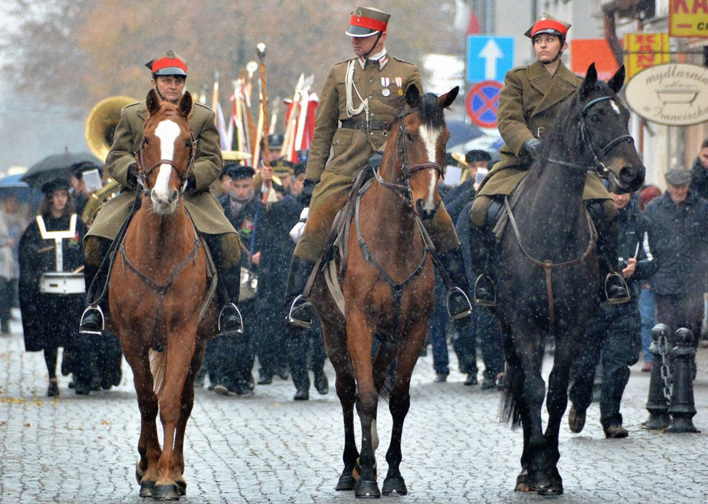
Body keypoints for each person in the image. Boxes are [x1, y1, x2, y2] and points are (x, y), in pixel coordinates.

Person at [285, 6, 472, 331]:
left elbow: (420, 120)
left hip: (395, 165)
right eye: (354, 37)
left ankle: (459, 293)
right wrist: (313, 178)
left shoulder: (406, 72)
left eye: (364, 37)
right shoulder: (338, 73)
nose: (356, 42)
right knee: (315, 226)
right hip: (346, 165)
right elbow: (324, 129)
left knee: (440, 220)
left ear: (381, 36)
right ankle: (296, 302)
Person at [467, 12, 629, 307]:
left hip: (569, 166)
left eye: (550, 40)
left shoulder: (580, 85)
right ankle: (485, 279)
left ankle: (609, 275)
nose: (543, 46)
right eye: (538, 41)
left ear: (562, 46)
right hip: (522, 162)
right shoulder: (517, 78)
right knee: (479, 209)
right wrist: (528, 141)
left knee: (606, 208)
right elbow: (508, 118)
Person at [79, 50, 243, 338]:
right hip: (139, 192)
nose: (173, 86)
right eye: (167, 80)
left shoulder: (201, 115)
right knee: (96, 240)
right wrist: (131, 171)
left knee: (228, 242)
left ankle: (227, 307)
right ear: (154, 82)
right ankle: (96, 305)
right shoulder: (132, 115)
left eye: (178, 81)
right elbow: (116, 155)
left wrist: (191, 179)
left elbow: (213, 160)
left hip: (190, 194)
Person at [568, 185, 657, 438]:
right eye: (615, 192)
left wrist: (635, 268)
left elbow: (653, 261)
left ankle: (611, 419)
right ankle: (580, 402)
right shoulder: (588, 220)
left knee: (617, 366)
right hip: (591, 304)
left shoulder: (640, 223)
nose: (619, 197)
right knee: (584, 365)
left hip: (624, 303)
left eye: (624, 192)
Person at [18, 178, 93, 396]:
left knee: (76, 336)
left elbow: (89, 253)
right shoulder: (37, 226)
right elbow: (26, 257)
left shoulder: (78, 224)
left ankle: (79, 376)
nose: (60, 200)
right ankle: (52, 379)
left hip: (75, 291)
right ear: (50, 199)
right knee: (49, 338)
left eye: (64, 195)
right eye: (57, 196)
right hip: (47, 292)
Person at [643, 168, 708, 379]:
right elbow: (646, 243)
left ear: (688, 186)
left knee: (692, 324)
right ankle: (670, 367)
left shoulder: (702, 208)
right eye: (675, 186)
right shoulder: (654, 209)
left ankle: (687, 363)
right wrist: (650, 271)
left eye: (682, 186)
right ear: (668, 186)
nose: (679, 190)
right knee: (667, 326)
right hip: (664, 279)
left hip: (693, 279)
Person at [209, 164, 261, 396]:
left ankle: (242, 377)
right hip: (224, 273)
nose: (241, 191)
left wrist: (263, 254)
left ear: (252, 184)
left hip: (251, 277)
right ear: (230, 184)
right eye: (237, 186)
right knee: (222, 327)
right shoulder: (217, 207)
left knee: (247, 330)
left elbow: (273, 238)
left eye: (246, 186)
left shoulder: (261, 207)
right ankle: (222, 376)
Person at [638, 184, 662, 371]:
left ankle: (659, 355)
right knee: (647, 319)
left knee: (659, 320)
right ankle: (649, 356)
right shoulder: (641, 222)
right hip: (647, 279)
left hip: (663, 277)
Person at [0, 194, 27, 334]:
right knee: (3, 293)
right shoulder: (1, 218)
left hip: (16, 261)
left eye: (14, 202)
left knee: (11, 292)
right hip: (3, 262)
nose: (12, 205)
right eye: (9, 202)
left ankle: (7, 315)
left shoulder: (19, 219)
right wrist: (5, 242)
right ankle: (3, 321)